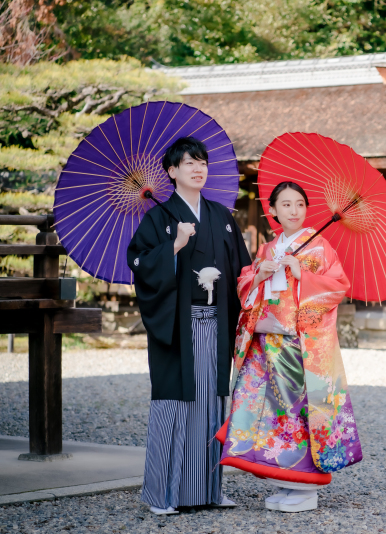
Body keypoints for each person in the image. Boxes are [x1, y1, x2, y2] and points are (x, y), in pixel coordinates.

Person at [216, 181, 362, 513]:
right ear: (273, 210)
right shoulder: (268, 249)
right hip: (267, 343)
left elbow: (338, 287)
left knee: (298, 410)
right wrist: (258, 274)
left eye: (299, 204)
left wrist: (303, 274)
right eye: (286, 204)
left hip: (299, 345)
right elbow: (244, 284)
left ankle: (306, 487)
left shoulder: (320, 247)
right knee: (272, 412)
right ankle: (285, 479)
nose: (294, 211)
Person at [127, 136, 251, 515]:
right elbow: (139, 263)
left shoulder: (221, 216)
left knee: (211, 403)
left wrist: (260, 275)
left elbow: (241, 270)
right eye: (189, 163)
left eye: (203, 163)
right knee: (175, 402)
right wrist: (175, 246)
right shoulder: (158, 218)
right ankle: (161, 494)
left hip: (216, 323)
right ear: (172, 171)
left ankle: (209, 491)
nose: (198, 169)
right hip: (178, 326)